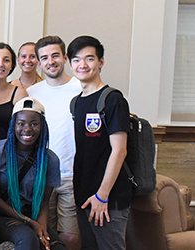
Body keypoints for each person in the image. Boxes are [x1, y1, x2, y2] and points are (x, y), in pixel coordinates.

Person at [0, 97, 65, 250]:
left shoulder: (50, 159)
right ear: (13, 125)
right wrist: (31, 224)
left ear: (42, 127)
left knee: (56, 247)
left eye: (34, 124)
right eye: (21, 123)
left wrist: (42, 229)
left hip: (32, 215)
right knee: (27, 238)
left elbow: (44, 202)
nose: (28, 129)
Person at [69, 35, 131, 250]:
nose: (82, 65)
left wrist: (102, 195)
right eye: (76, 60)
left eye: (89, 59)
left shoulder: (112, 99)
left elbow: (119, 150)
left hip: (107, 198)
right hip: (84, 194)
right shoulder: (76, 102)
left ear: (101, 62)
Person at [27, 35, 82, 249]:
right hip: (41, 175)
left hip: (72, 175)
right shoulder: (32, 94)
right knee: (43, 236)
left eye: (55, 55)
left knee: (71, 237)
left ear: (65, 57)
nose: (51, 61)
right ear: (39, 63)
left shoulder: (81, 88)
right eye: (45, 57)